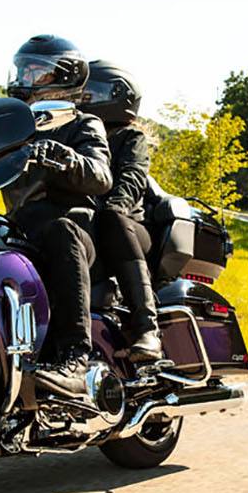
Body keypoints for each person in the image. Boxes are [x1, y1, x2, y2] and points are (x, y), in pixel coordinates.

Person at [0, 34, 113, 400]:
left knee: (60, 231)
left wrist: (65, 158)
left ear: (65, 76)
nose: (24, 79)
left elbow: (101, 175)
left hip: (75, 229)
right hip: (23, 227)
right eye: (22, 70)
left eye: (36, 72)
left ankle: (76, 359)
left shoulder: (84, 124)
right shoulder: (17, 128)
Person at [83, 60, 162, 361]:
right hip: (93, 222)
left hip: (130, 226)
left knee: (110, 219)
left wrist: (111, 207)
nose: (83, 99)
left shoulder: (131, 138)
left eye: (90, 93)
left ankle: (147, 329)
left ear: (117, 96)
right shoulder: (80, 135)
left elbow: (131, 179)